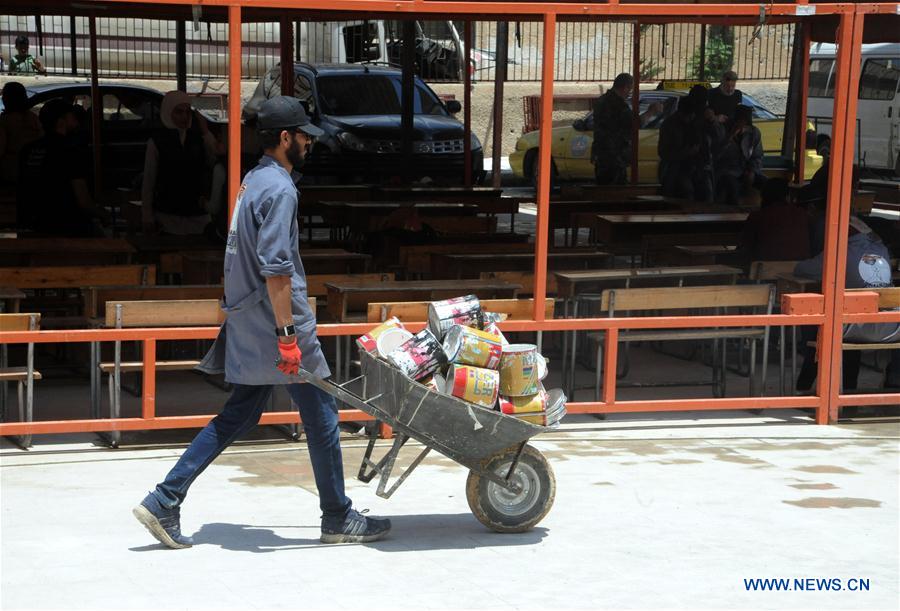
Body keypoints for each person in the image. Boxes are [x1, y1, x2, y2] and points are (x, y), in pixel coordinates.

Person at [132, 96, 391, 549]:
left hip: (250, 317)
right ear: (285, 138)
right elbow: (276, 269)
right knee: (322, 413)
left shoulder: (252, 181)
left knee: (243, 410)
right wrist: (288, 337)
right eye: (305, 136)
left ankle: (164, 498)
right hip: (277, 322)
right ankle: (337, 517)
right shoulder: (280, 190)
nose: (310, 143)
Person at [794, 217, 899, 392]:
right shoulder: (882, 250)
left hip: (851, 329)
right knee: (846, 317)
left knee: (819, 328)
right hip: (890, 329)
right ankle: (871, 385)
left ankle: (803, 387)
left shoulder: (838, 252)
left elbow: (802, 269)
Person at [17, 99, 103, 236]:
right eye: (72, 116)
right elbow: (83, 200)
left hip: (34, 224)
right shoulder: (70, 151)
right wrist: (104, 214)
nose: (76, 121)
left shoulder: (27, 150)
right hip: (67, 226)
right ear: (61, 121)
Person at [141, 90, 217, 235]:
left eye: (187, 112)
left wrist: (205, 131)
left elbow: (215, 159)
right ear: (168, 112)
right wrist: (147, 215)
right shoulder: (157, 141)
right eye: (179, 112)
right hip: (167, 215)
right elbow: (149, 180)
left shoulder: (198, 138)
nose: (184, 117)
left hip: (197, 215)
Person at [592, 73, 663, 185]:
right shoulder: (617, 104)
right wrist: (651, 111)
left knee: (604, 187)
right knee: (616, 189)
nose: (629, 93)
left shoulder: (602, 100)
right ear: (625, 87)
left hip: (602, 154)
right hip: (614, 156)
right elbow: (635, 123)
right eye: (630, 89)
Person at [740, 178, 811, 262]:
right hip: (799, 265)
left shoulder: (757, 216)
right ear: (787, 196)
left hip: (766, 265)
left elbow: (746, 246)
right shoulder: (801, 213)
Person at [714, 104, 765, 206]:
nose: (742, 126)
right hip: (727, 171)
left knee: (768, 185)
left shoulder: (754, 132)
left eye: (745, 124)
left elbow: (757, 156)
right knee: (732, 188)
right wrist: (729, 137)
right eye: (739, 122)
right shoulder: (722, 130)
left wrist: (752, 171)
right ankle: (734, 212)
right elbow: (715, 155)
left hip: (747, 170)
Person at [657, 96, 700, 200]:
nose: (691, 117)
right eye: (689, 115)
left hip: (687, 168)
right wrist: (687, 152)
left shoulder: (692, 123)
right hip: (674, 169)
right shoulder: (670, 125)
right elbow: (664, 152)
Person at [0, 81, 42, 185]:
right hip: (33, 172)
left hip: (11, 174)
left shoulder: (4, 121)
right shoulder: (34, 118)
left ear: (7, 99)